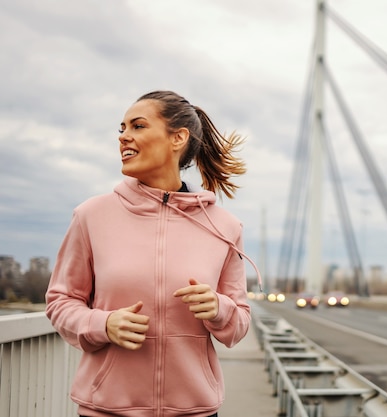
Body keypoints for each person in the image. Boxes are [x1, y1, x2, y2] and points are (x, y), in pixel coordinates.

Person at [46, 90, 261, 417]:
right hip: (106, 409)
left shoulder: (225, 227)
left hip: (194, 411)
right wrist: (103, 324)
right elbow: (61, 300)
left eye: (138, 126)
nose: (124, 137)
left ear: (177, 138)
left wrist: (219, 308)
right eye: (122, 129)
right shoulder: (91, 215)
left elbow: (239, 323)